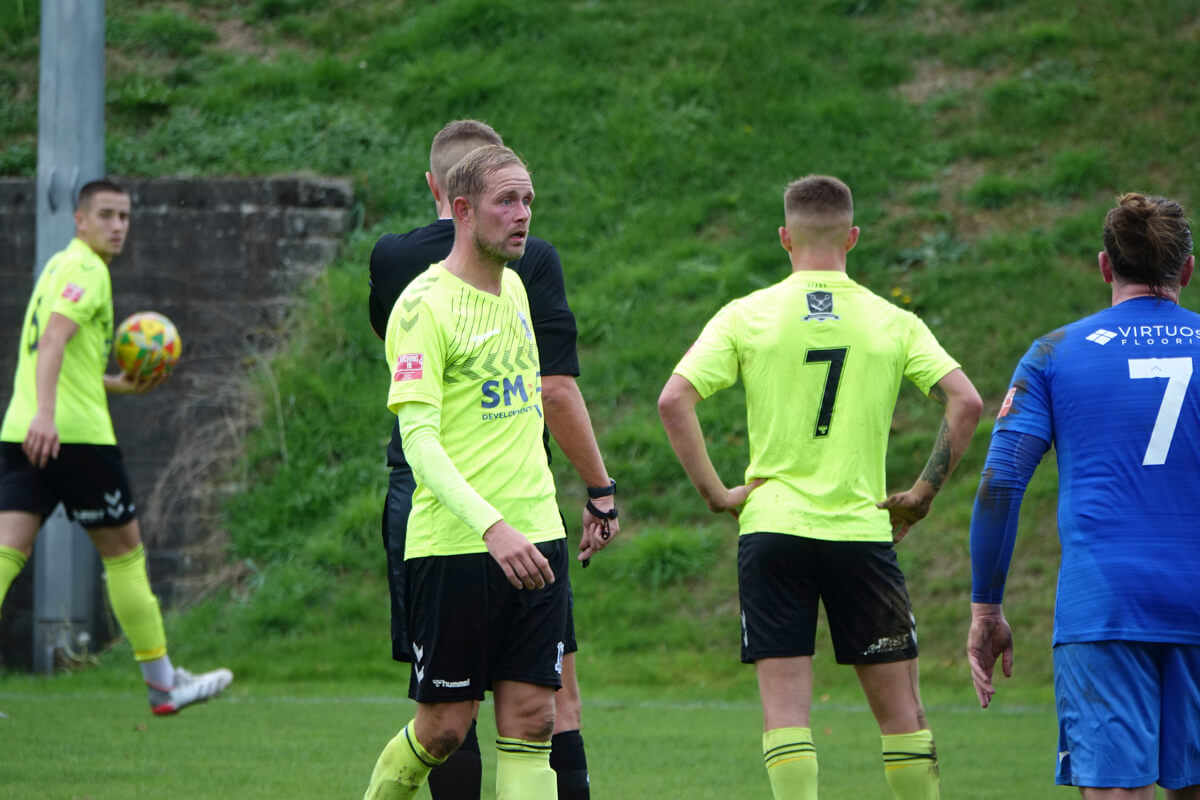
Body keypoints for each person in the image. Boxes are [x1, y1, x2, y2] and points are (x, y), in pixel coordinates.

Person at [659, 175, 982, 800]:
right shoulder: (893, 320)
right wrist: (921, 493)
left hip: (772, 529)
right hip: (861, 533)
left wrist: (717, 494)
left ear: (785, 238)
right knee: (903, 720)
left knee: (785, 714)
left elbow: (675, 401)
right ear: (852, 238)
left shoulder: (745, 314)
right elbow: (965, 402)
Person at [368, 120, 616, 800]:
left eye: (529, 199)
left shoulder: (514, 289)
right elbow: (418, 442)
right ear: (460, 208)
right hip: (456, 544)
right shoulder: (421, 305)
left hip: (536, 536)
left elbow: (541, 403)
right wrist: (490, 526)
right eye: (507, 200)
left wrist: (548, 516)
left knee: (535, 719)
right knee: (445, 729)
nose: (524, 214)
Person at [967, 193, 1200, 799]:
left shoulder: (1053, 354)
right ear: (1187, 270)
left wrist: (986, 609)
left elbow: (1001, 484)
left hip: (1104, 608)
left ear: (1104, 266)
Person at [0, 179, 232, 714]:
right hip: (71, 435)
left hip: (24, 430)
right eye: (106, 215)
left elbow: (54, 351)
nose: (118, 226)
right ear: (80, 219)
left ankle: (165, 681)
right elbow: (54, 340)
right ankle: (163, 683)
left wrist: (112, 383)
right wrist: (48, 414)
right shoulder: (88, 270)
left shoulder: (57, 266)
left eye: (124, 217)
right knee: (125, 554)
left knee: (7, 553)